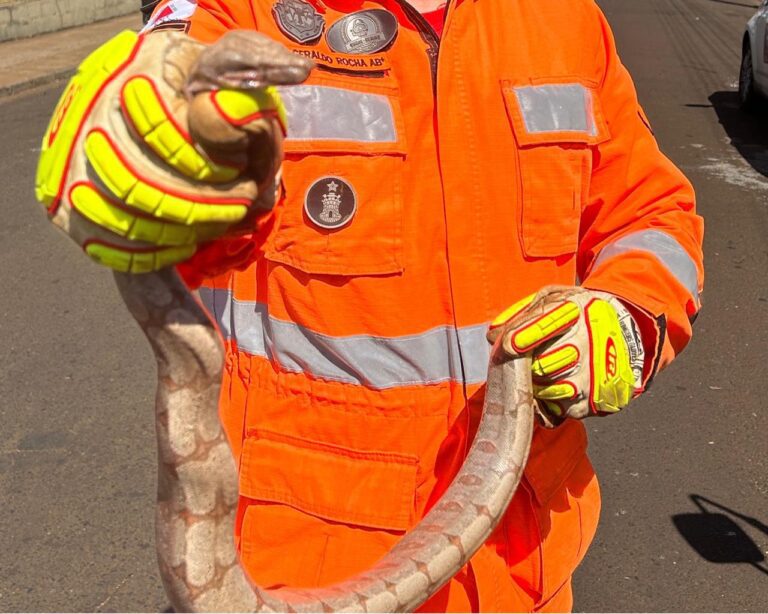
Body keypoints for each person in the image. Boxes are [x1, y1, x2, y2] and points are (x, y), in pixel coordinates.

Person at [34, 0, 704, 610]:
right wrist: (133, 139)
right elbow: (164, 97)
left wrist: (627, 316)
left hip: (521, 563)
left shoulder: (564, 18)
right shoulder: (237, 14)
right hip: (305, 566)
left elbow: (647, 213)